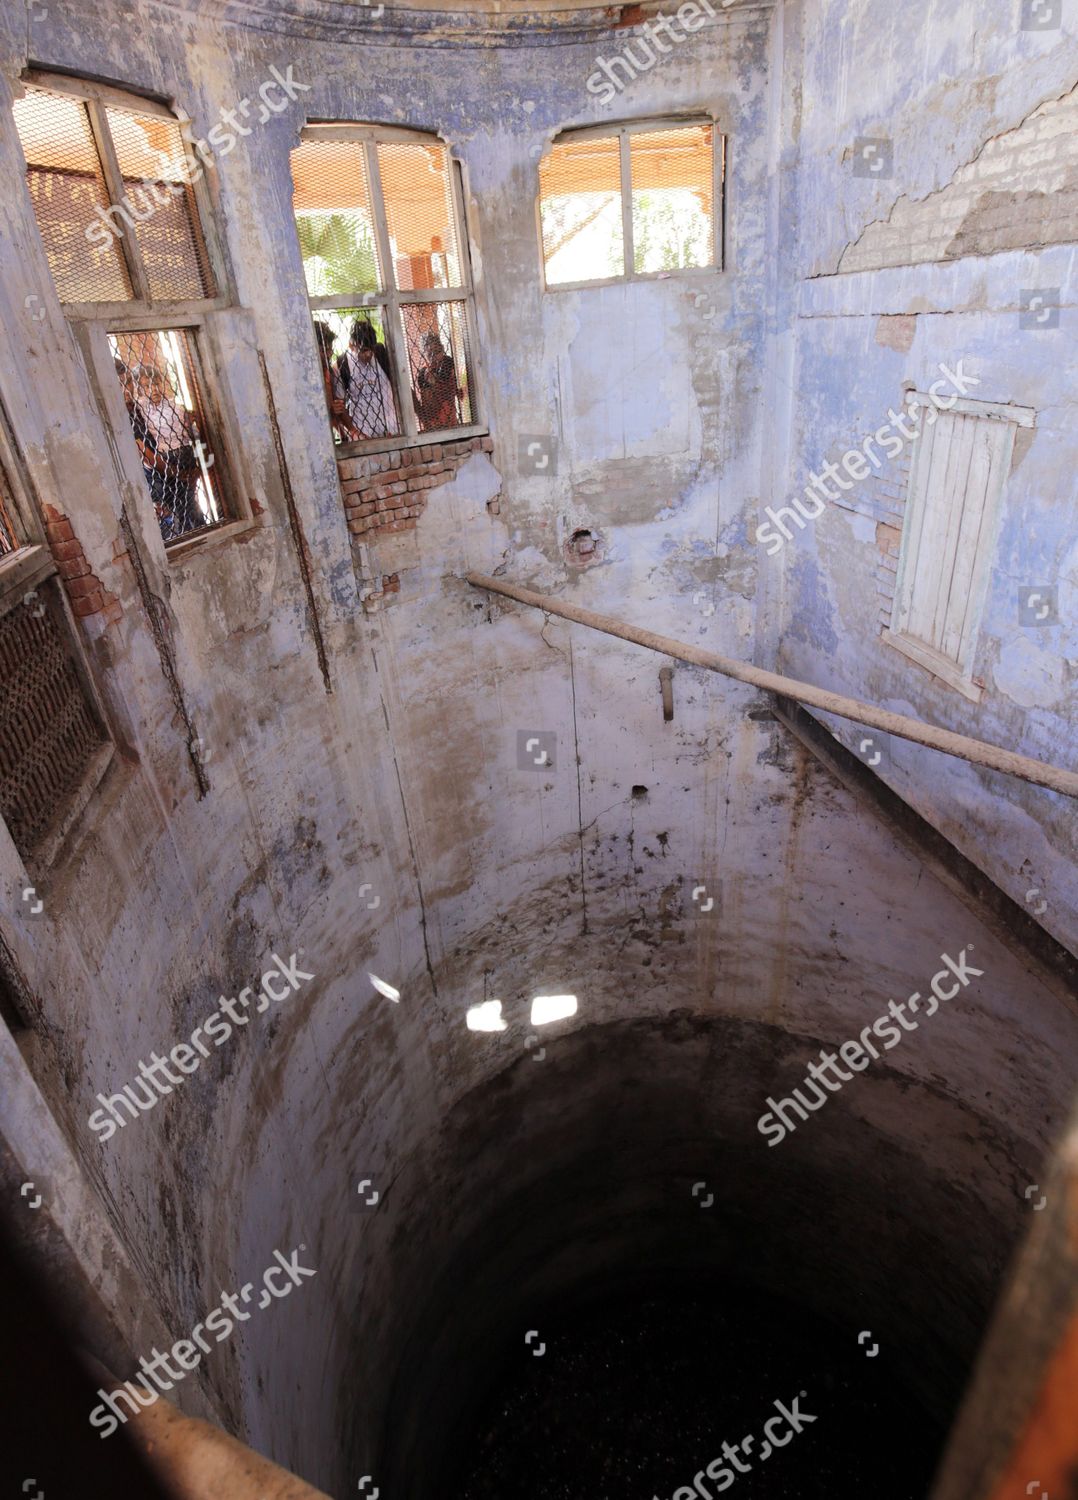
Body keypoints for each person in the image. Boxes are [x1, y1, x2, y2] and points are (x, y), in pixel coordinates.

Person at [127, 363, 202, 541]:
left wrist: (191, 424)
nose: (153, 389)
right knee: (174, 502)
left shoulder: (175, 407)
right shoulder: (141, 409)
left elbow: (191, 435)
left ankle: (196, 529)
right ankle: (184, 533)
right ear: (139, 389)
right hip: (164, 458)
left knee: (189, 499)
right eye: (146, 386)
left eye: (156, 383)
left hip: (183, 453)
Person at [338, 320, 399, 438]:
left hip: (391, 429)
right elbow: (339, 404)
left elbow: (399, 386)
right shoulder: (343, 364)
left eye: (371, 349)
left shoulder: (381, 354)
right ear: (351, 345)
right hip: (363, 433)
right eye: (364, 350)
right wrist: (354, 432)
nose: (369, 354)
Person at [313, 321, 360, 444]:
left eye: (330, 349)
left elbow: (339, 408)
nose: (330, 354)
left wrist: (352, 431)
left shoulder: (331, 372)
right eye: (324, 350)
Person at [414, 332, 459, 431]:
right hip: (432, 421)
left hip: (449, 419)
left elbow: (450, 390)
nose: (434, 357)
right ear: (424, 355)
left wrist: (435, 384)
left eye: (437, 351)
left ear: (442, 349)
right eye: (430, 354)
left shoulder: (447, 363)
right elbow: (427, 400)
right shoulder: (423, 373)